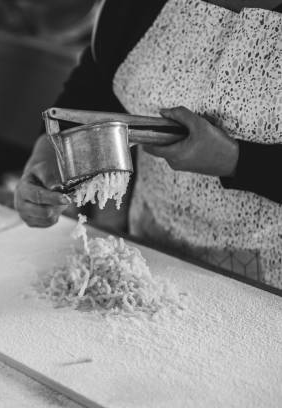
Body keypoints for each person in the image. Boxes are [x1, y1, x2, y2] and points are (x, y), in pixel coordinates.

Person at [14, 0, 282, 289]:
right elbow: (96, 86)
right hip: (148, 248)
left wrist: (234, 159)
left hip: (268, 276)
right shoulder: (134, 6)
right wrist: (48, 157)